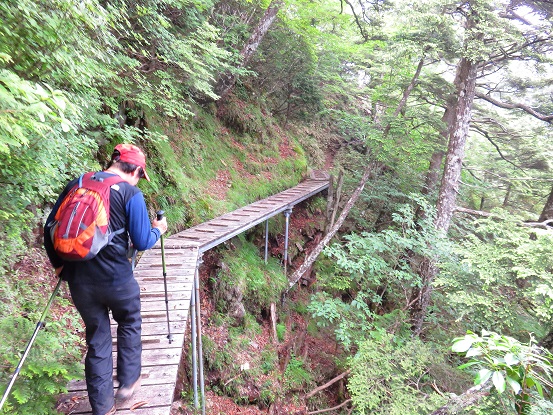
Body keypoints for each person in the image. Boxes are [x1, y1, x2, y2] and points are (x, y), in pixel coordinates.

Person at [44, 144, 168, 415]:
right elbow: (142, 240)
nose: (138, 180)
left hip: (80, 281)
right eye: (139, 174)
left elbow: (49, 228)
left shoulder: (77, 184)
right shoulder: (130, 193)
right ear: (135, 170)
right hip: (117, 280)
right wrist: (158, 230)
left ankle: (102, 407)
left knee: (97, 338)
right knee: (130, 321)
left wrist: (59, 267)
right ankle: (127, 382)